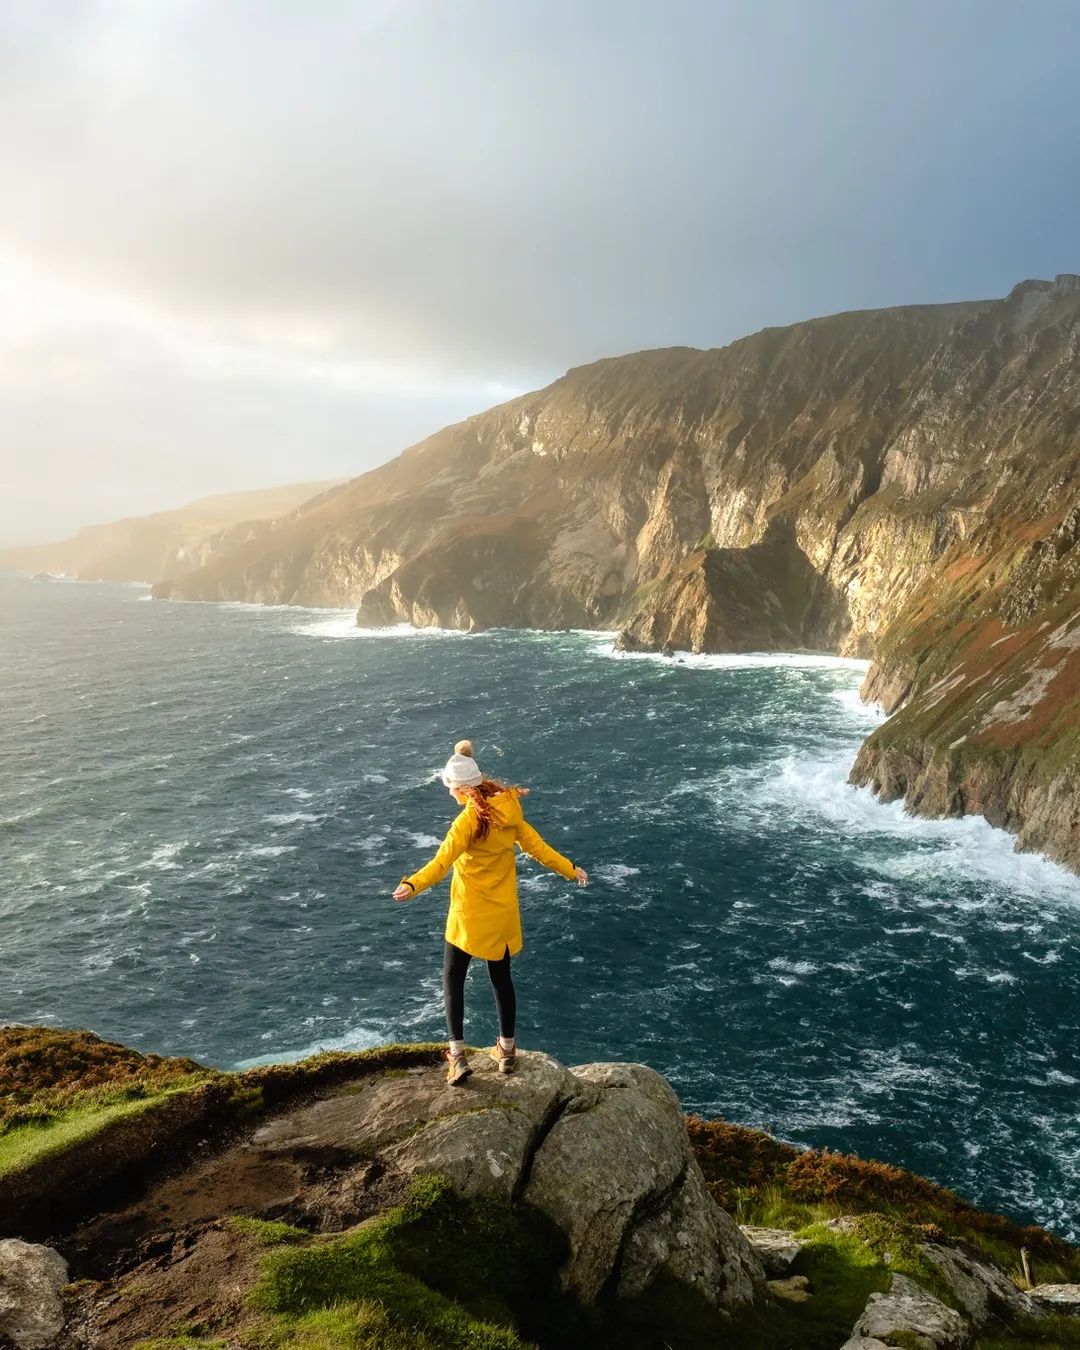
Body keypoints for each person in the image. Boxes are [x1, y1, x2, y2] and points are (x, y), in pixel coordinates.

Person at [393, 739, 588, 1085]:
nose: (450, 794)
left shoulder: (467, 822)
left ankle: (457, 1056)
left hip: (468, 916)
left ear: (460, 789)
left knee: (453, 979)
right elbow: (539, 849)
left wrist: (412, 884)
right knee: (501, 979)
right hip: (502, 915)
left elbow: (441, 864)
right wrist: (572, 869)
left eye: (451, 788)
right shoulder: (509, 812)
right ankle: (508, 1050)